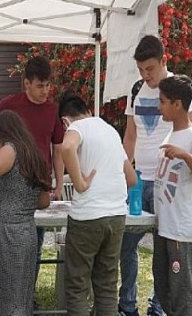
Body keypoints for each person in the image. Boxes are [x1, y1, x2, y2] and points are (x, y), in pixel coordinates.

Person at [119, 35, 192, 316]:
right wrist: (125, 169)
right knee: (125, 242)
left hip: (168, 182)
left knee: (163, 249)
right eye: (141, 70)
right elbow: (130, 134)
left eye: (150, 69)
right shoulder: (136, 89)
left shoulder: (179, 90)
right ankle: (127, 303)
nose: (146, 75)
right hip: (139, 178)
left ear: (164, 60)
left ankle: (159, 305)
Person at [0, 55, 64, 295]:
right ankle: (4, 294)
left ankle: (27, 293)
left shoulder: (52, 110)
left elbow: (58, 147)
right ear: (27, 83)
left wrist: (60, 182)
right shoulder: (11, 104)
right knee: (9, 243)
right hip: (13, 183)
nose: (45, 91)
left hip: (39, 183)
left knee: (36, 242)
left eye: (48, 85)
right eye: (40, 85)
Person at [58, 93, 136, 316]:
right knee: (106, 286)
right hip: (116, 215)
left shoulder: (76, 128)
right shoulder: (109, 130)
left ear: (65, 121)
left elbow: (66, 148)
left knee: (77, 286)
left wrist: (80, 184)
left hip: (87, 217)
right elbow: (131, 179)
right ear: (89, 111)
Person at [0, 110, 51, 316]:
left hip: (7, 232)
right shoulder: (32, 152)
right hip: (26, 230)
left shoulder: (11, 149)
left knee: (2, 296)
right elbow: (44, 201)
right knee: (20, 296)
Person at [153, 75, 192, 316]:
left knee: (182, 291)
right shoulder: (169, 135)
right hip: (164, 225)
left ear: (178, 104)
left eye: (163, 101)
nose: (159, 106)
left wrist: (186, 156)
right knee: (162, 286)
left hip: (181, 228)